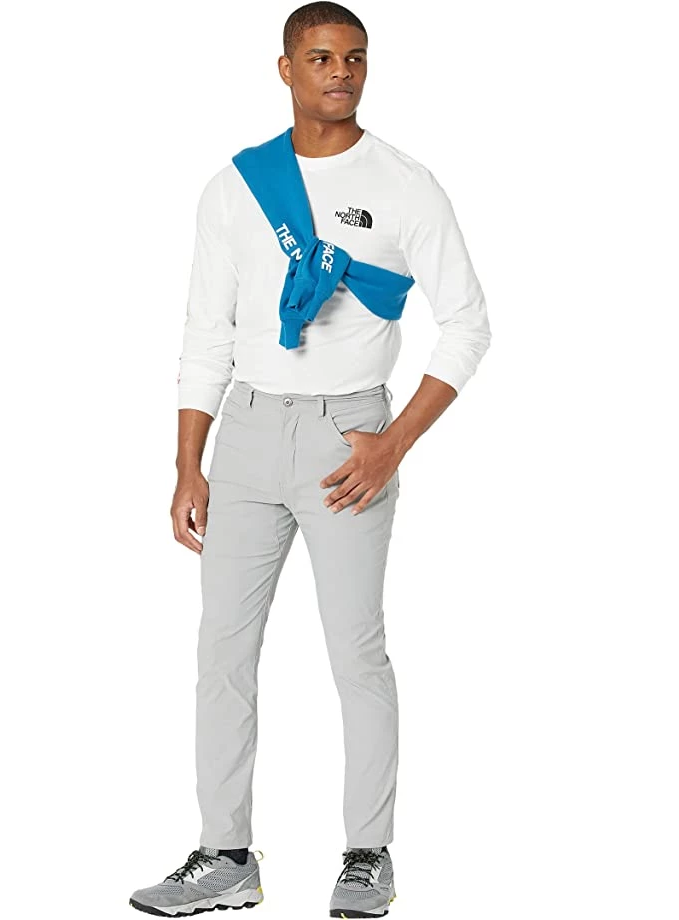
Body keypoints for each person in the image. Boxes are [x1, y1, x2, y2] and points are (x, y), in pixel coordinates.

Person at [129, 2, 491, 916]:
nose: (342, 73)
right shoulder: (235, 187)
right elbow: (205, 333)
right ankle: (225, 854)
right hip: (247, 434)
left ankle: (368, 855)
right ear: (286, 68)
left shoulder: (405, 184)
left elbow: (468, 324)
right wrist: (188, 465)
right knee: (222, 651)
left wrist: (393, 443)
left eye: (356, 57)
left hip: (349, 438)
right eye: (322, 57)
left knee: (355, 652)